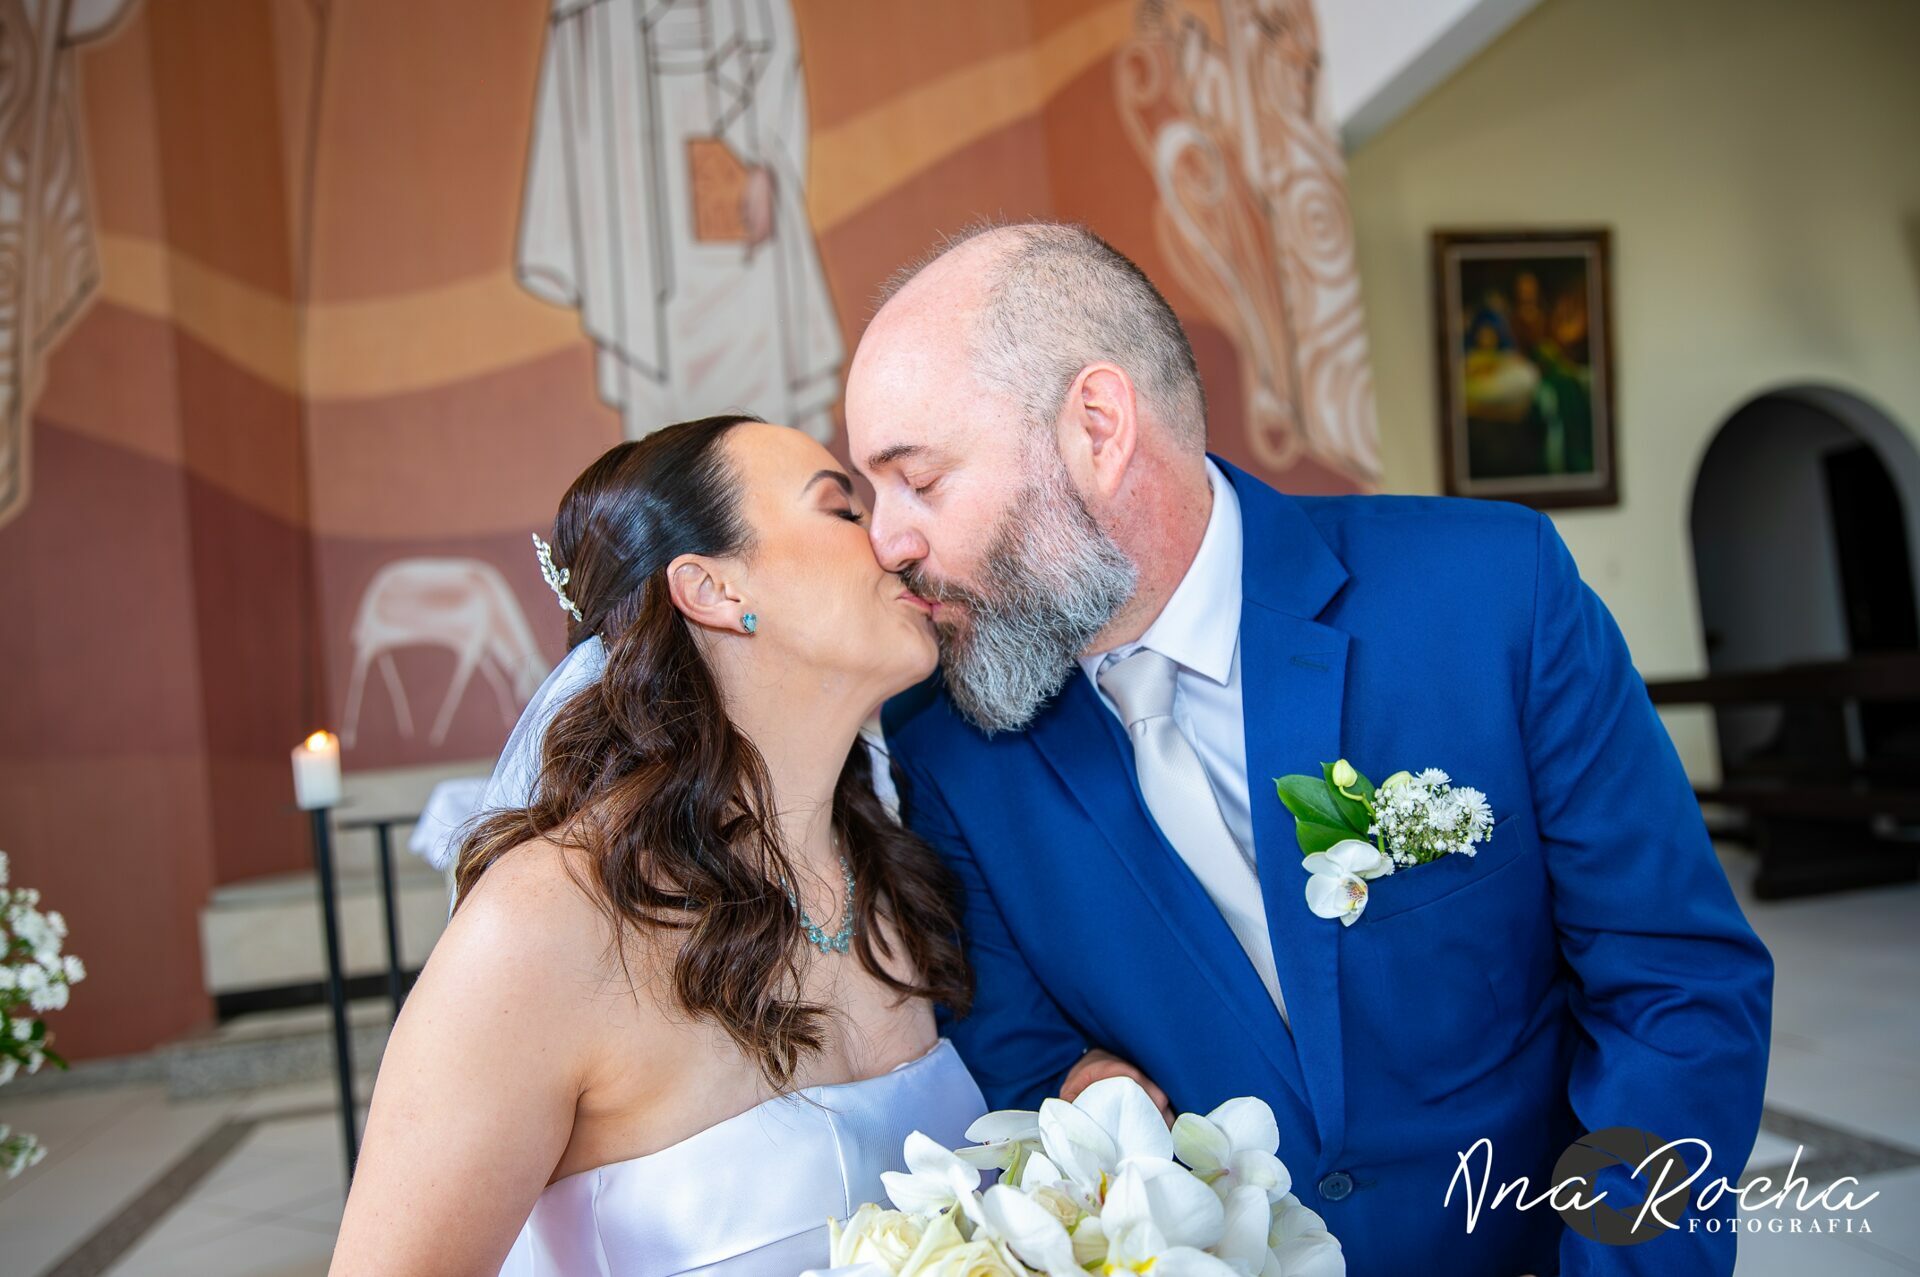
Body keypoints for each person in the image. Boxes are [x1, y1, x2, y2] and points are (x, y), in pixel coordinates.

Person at [848, 222, 1773, 1276]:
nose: (886, 542)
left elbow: (1675, 985)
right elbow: (1018, 1047)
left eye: (918, 480)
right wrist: (1079, 1088)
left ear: (1097, 429)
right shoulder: (948, 744)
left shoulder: (1491, 596)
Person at [330, 416, 983, 1276]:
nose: (894, 543)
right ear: (711, 589)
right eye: (842, 510)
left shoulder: (902, 868)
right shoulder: (545, 926)